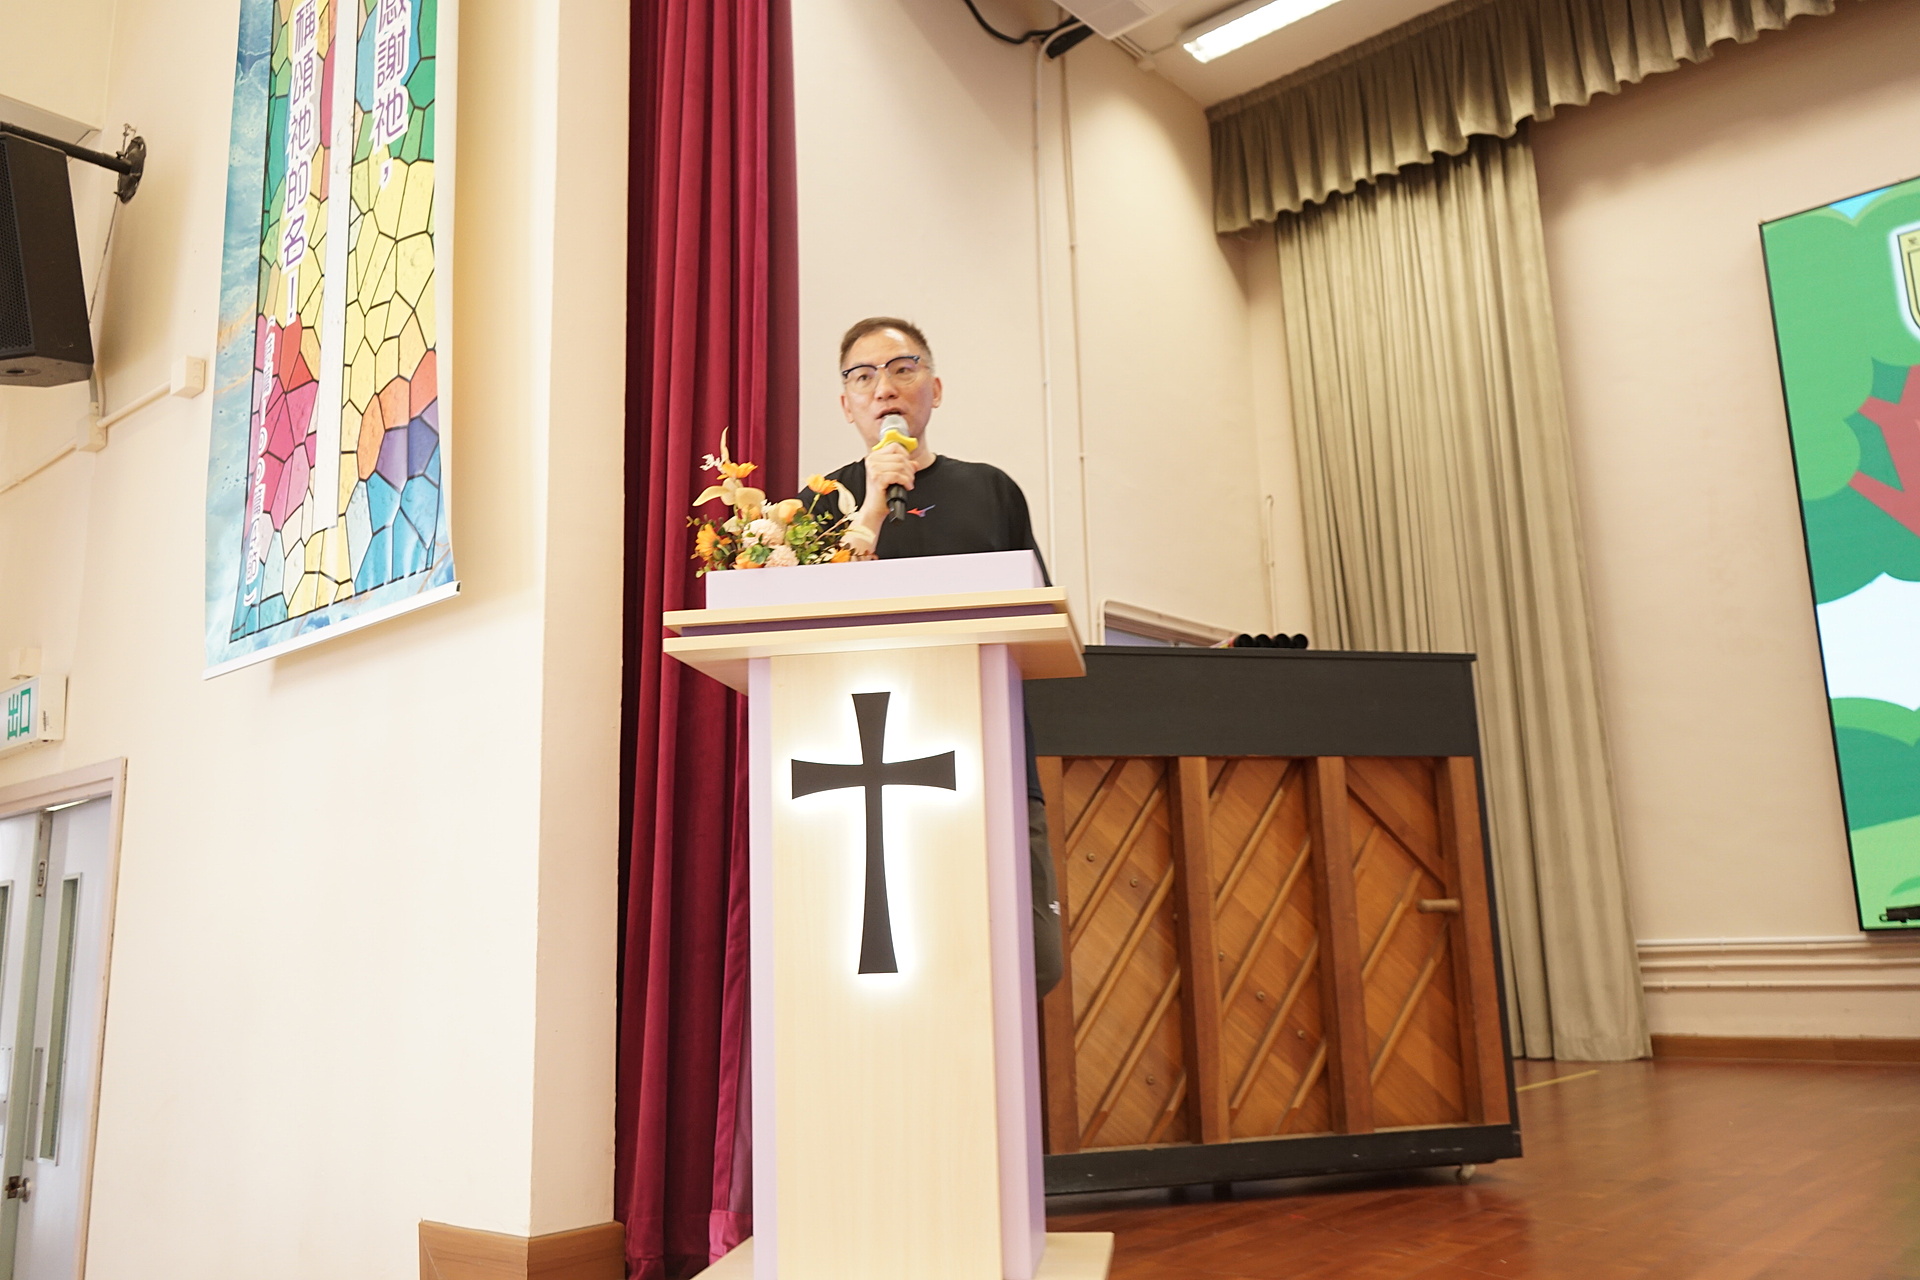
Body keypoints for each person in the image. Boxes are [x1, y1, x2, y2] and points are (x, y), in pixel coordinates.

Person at [803, 316, 1064, 997]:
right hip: (854, 765)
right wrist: (870, 508)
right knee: (882, 970)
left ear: (935, 389)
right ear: (846, 404)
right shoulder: (818, 506)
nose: (884, 388)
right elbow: (801, 624)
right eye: (863, 376)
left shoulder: (991, 491)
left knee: (1028, 960)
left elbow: (1037, 621)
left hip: (987, 753)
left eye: (903, 369)